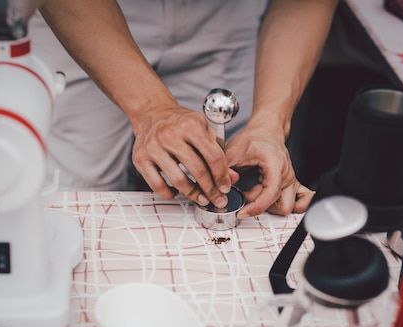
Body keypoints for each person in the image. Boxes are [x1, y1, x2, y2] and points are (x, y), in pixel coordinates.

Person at [31, 0, 338, 219]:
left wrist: (270, 123)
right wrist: (151, 108)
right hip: (86, 14)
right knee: (76, 201)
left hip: (227, 17)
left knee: (234, 169)